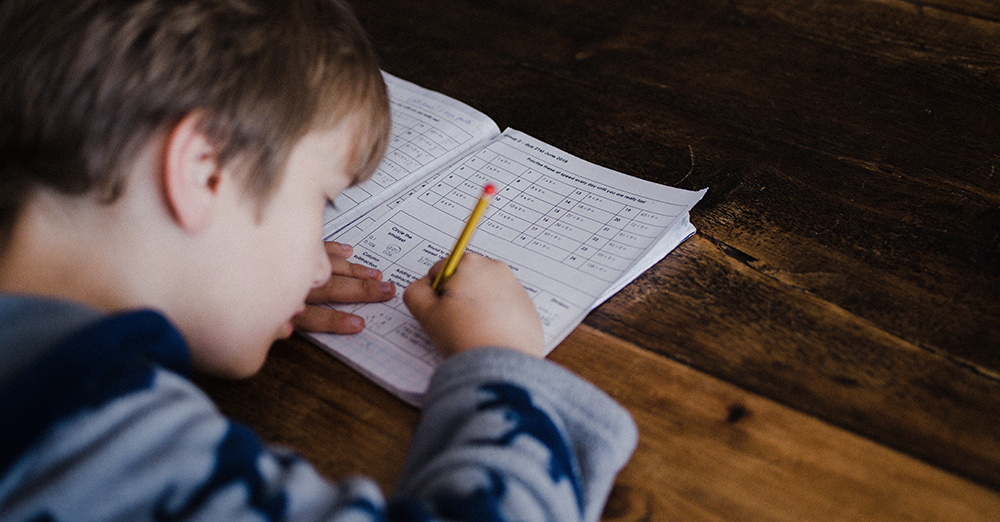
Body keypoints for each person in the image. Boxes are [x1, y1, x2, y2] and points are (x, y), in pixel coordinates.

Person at [0, 0, 637, 520]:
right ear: (207, 171)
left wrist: (221, 290)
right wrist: (501, 365)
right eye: (322, 201)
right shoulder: (94, 440)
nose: (321, 267)